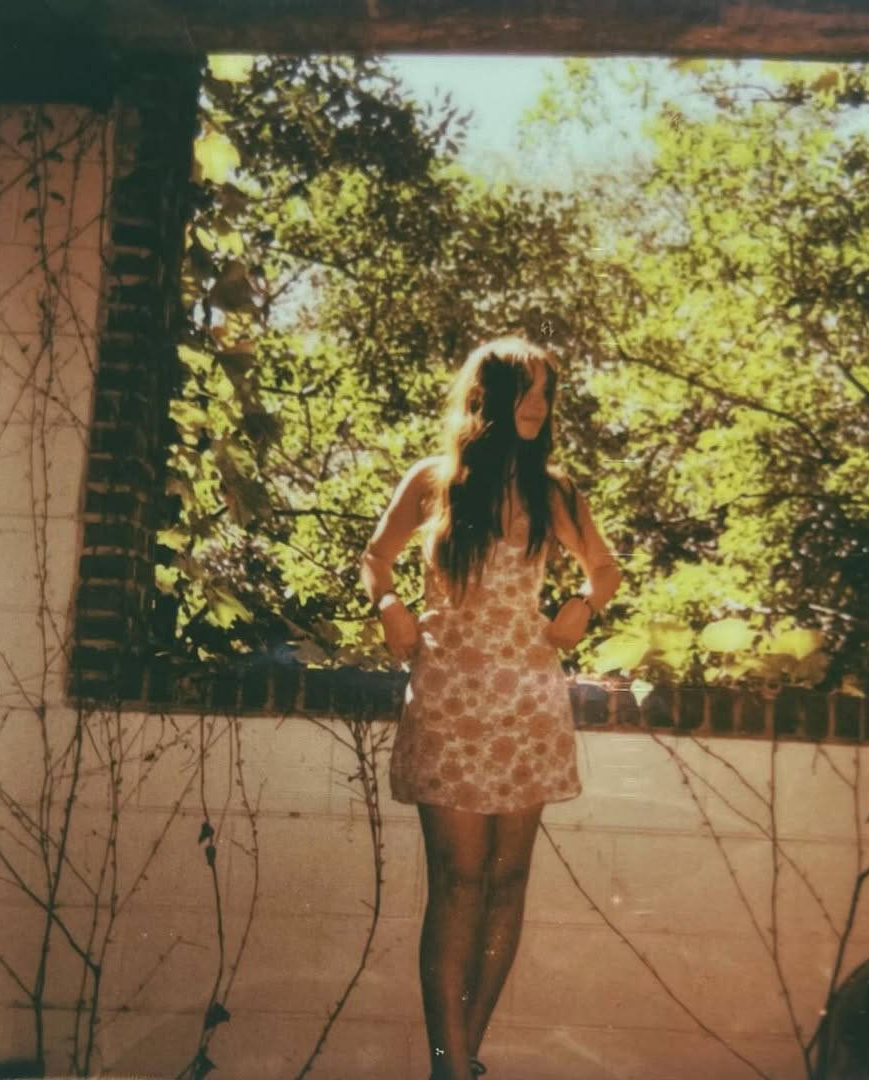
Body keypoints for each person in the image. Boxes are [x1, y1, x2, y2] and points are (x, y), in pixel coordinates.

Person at [360, 336, 621, 1080]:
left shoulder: (555, 491)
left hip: (528, 702)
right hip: (451, 696)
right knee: (459, 881)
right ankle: (452, 1063)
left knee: (507, 881)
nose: (539, 404)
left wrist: (581, 606)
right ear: (489, 398)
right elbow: (376, 557)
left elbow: (605, 568)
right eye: (525, 390)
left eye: (547, 392)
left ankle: (459, 1060)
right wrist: (389, 606)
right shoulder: (432, 481)